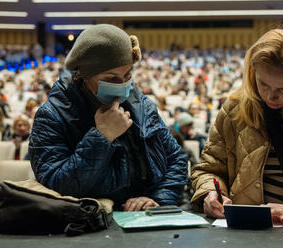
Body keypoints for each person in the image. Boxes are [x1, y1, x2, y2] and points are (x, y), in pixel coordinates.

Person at [29, 24, 188, 211]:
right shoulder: (52, 116)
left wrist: (157, 199)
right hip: (91, 221)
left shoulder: (142, 105)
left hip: (146, 216)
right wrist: (102, 137)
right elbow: (56, 184)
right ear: (84, 76)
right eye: (111, 79)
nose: (122, 85)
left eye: (127, 75)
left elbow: (176, 159)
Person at [191, 29, 283, 225]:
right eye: (262, 84)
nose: (270, 96)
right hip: (243, 229)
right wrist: (210, 193)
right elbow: (208, 169)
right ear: (252, 72)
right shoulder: (235, 109)